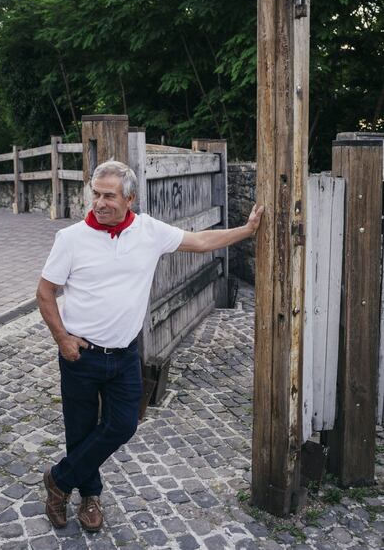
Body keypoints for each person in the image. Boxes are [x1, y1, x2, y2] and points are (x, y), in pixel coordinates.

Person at [37, 160, 263, 532]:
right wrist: (62, 339)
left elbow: (201, 241)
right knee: (79, 431)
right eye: (95, 194)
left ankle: (58, 480)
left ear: (130, 198)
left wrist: (247, 229)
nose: (99, 202)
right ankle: (89, 496)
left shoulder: (149, 232)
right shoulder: (71, 239)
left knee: (123, 425)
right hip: (80, 355)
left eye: (109, 195)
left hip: (125, 355)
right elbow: (44, 293)